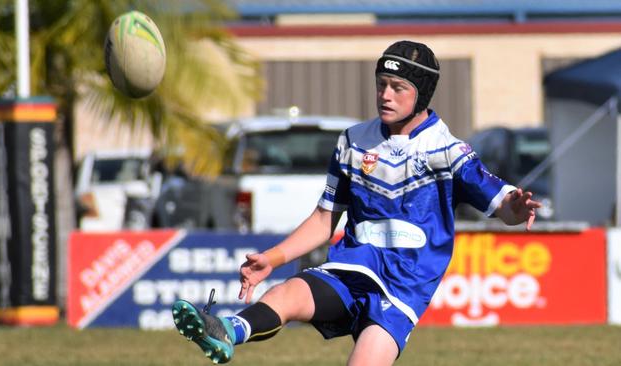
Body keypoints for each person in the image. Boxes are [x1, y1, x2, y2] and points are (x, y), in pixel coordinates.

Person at [171, 40, 541, 365]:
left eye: (398, 88)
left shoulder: (448, 151)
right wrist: (272, 257)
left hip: (402, 290)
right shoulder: (353, 141)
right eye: (381, 85)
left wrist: (516, 207)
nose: (385, 95)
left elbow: (500, 203)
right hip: (353, 268)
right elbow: (323, 219)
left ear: (422, 94)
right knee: (287, 293)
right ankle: (226, 331)